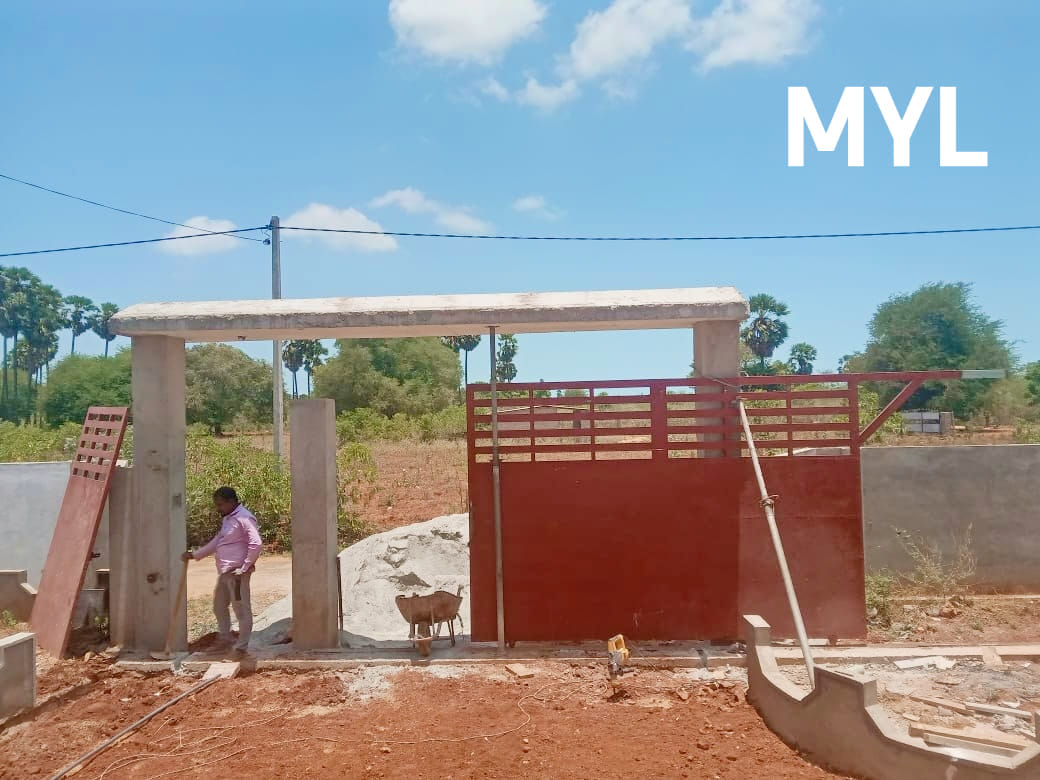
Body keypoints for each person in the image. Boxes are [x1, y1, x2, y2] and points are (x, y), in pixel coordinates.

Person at [183, 487, 262, 657]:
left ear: (231, 501)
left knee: (241, 611)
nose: (218, 508)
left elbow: (256, 543)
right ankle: (225, 640)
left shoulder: (244, 517)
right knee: (219, 606)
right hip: (226, 573)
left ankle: (241, 648)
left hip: (237, 574)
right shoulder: (228, 518)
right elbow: (217, 542)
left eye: (220, 504)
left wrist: (245, 567)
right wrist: (195, 555)